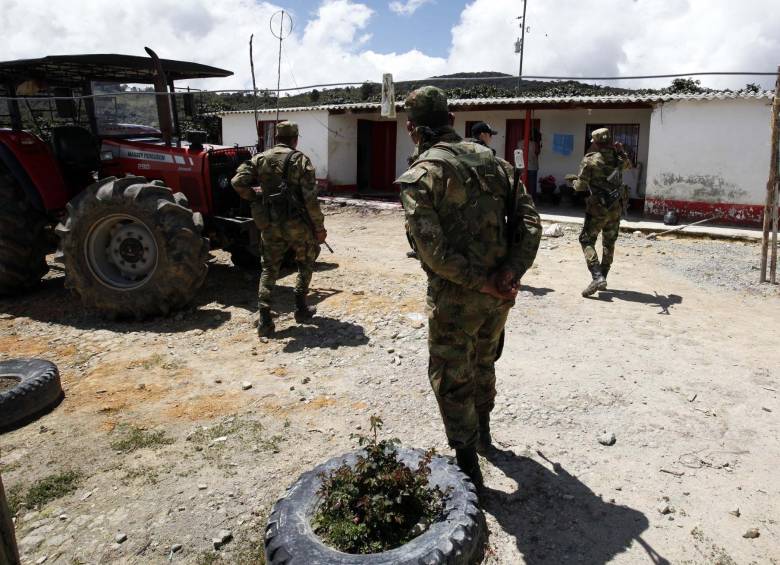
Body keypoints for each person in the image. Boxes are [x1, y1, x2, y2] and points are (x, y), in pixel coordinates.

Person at [396, 86, 541, 489]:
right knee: (483, 362)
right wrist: (509, 275)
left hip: (458, 297)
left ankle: (469, 466)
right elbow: (530, 225)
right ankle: (485, 437)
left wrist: (487, 283)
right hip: (498, 296)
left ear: (412, 128)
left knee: (452, 375)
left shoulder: (422, 173)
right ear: (452, 118)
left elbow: (434, 253)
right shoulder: (495, 163)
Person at [231, 121, 327, 337]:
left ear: (276, 138)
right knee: (306, 262)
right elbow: (311, 200)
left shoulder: (261, 158)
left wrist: (254, 198)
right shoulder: (301, 160)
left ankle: (265, 320)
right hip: (298, 225)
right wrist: (319, 227)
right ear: (295, 138)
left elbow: (237, 181)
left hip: (270, 224)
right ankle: (301, 309)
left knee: (269, 269)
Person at [573, 127, 632, 297]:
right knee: (609, 242)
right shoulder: (618, 157)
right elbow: (628, 165)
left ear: (596, 142)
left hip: (598, 208)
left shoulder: (590, 160)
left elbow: (581, 186)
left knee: (586, 239)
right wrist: (621, 151)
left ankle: (597, 276)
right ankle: (603, 277)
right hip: (615, 207)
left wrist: (573, 182)